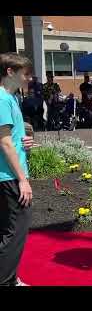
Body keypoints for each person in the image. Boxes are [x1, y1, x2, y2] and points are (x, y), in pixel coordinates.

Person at [0, 53, 35, 286]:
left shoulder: (11, 99)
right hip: (10, 177)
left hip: (10, 175)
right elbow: (4, 141)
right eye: (26, 74)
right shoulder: (2, 99)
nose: (29, 79)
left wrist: (26, 142)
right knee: (15, 232)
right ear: (10, 72)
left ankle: (10, 278)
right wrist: (22, 179)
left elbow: (11, 137)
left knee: (8, 230)